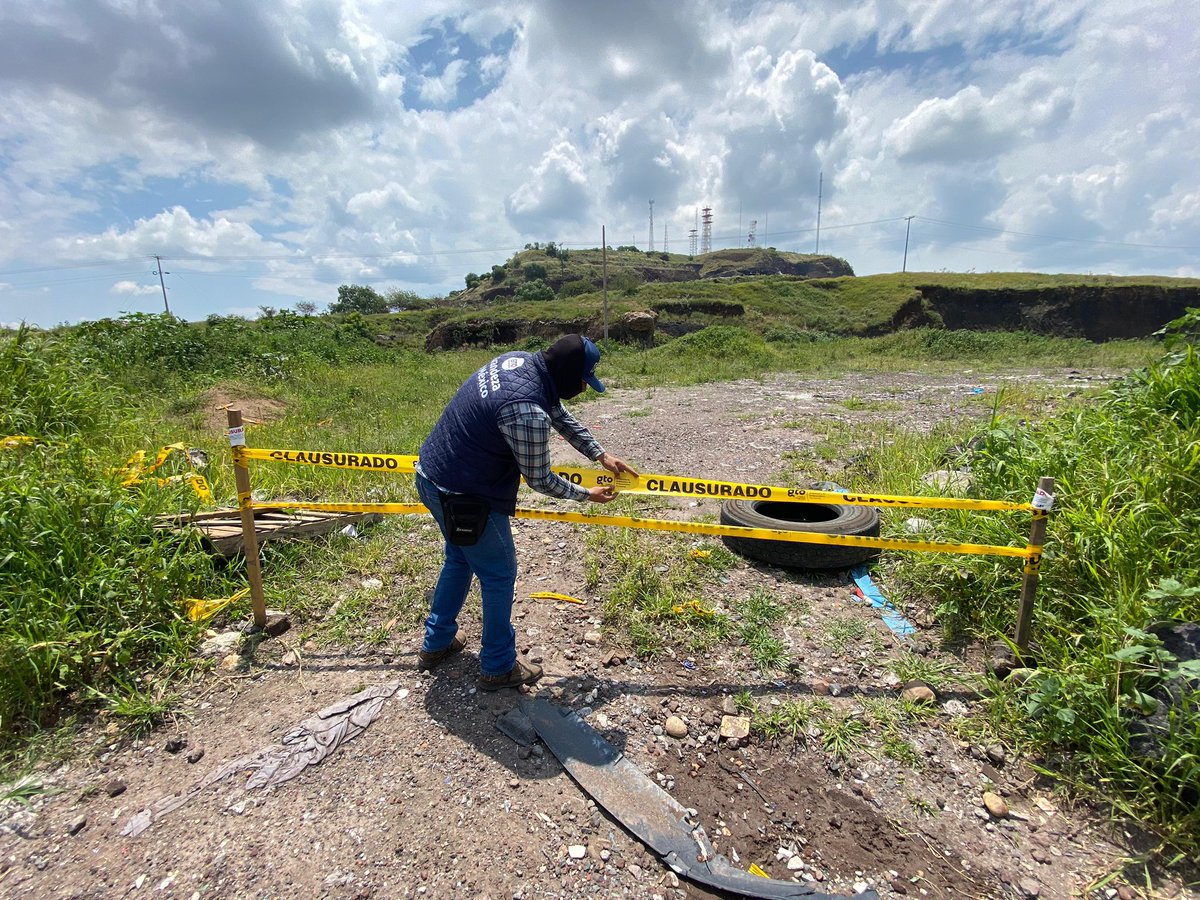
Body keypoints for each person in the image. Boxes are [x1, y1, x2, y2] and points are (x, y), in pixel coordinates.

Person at [414, 334, 638, 690]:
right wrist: (586, 494)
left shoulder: (519, 362)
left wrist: (599, 454)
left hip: (431, 474)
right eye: (583, 378)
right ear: (565, 373)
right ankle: (498, 666)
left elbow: (557, 412)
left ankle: (436, 644)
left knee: (459, 559)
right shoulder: (525, 412)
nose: (583, 386)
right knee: (499, 574)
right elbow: (540, 480)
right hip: (464, 496)